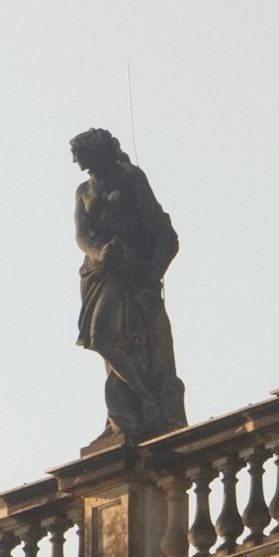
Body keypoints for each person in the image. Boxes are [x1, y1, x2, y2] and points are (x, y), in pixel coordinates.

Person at [71, 129, 188, 447]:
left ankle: (144, 404)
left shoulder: (131, 178)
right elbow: (81, 234)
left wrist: (151, 269)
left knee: (113, 340)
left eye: (86, 159)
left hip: (128, 272)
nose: (84, 167)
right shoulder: (83, 190)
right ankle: (124, 416)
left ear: (100, 153)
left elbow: (154, 222)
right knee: (109, 345)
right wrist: (99, 253)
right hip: (98, 273)